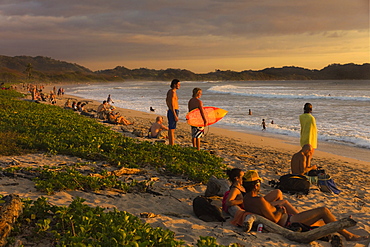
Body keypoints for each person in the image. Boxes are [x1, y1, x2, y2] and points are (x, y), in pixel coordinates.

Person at [243, 170, 368, 241]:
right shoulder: (258, 200)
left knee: (322, 221)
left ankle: (340, 224)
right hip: (288, 222)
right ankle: (349, 236)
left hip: (287, 219)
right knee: (323, 211)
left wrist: (274, 206)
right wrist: (280, 210)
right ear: (256, 185)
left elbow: (264, 211)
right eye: (259, 182)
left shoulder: (246, 200)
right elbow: (274, 219)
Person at [166, 79, 180, 145]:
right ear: (175, 84)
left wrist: (169, 108)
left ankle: (171, 142)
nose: (179, 85)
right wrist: (175, 114)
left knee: (171, 127)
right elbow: (171, 103)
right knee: (172, 128)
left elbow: (167, 101)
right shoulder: (172, 92)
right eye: (178, 84)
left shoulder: (170, 91)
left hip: (171, 110)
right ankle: (171, 144)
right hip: (173, 110)